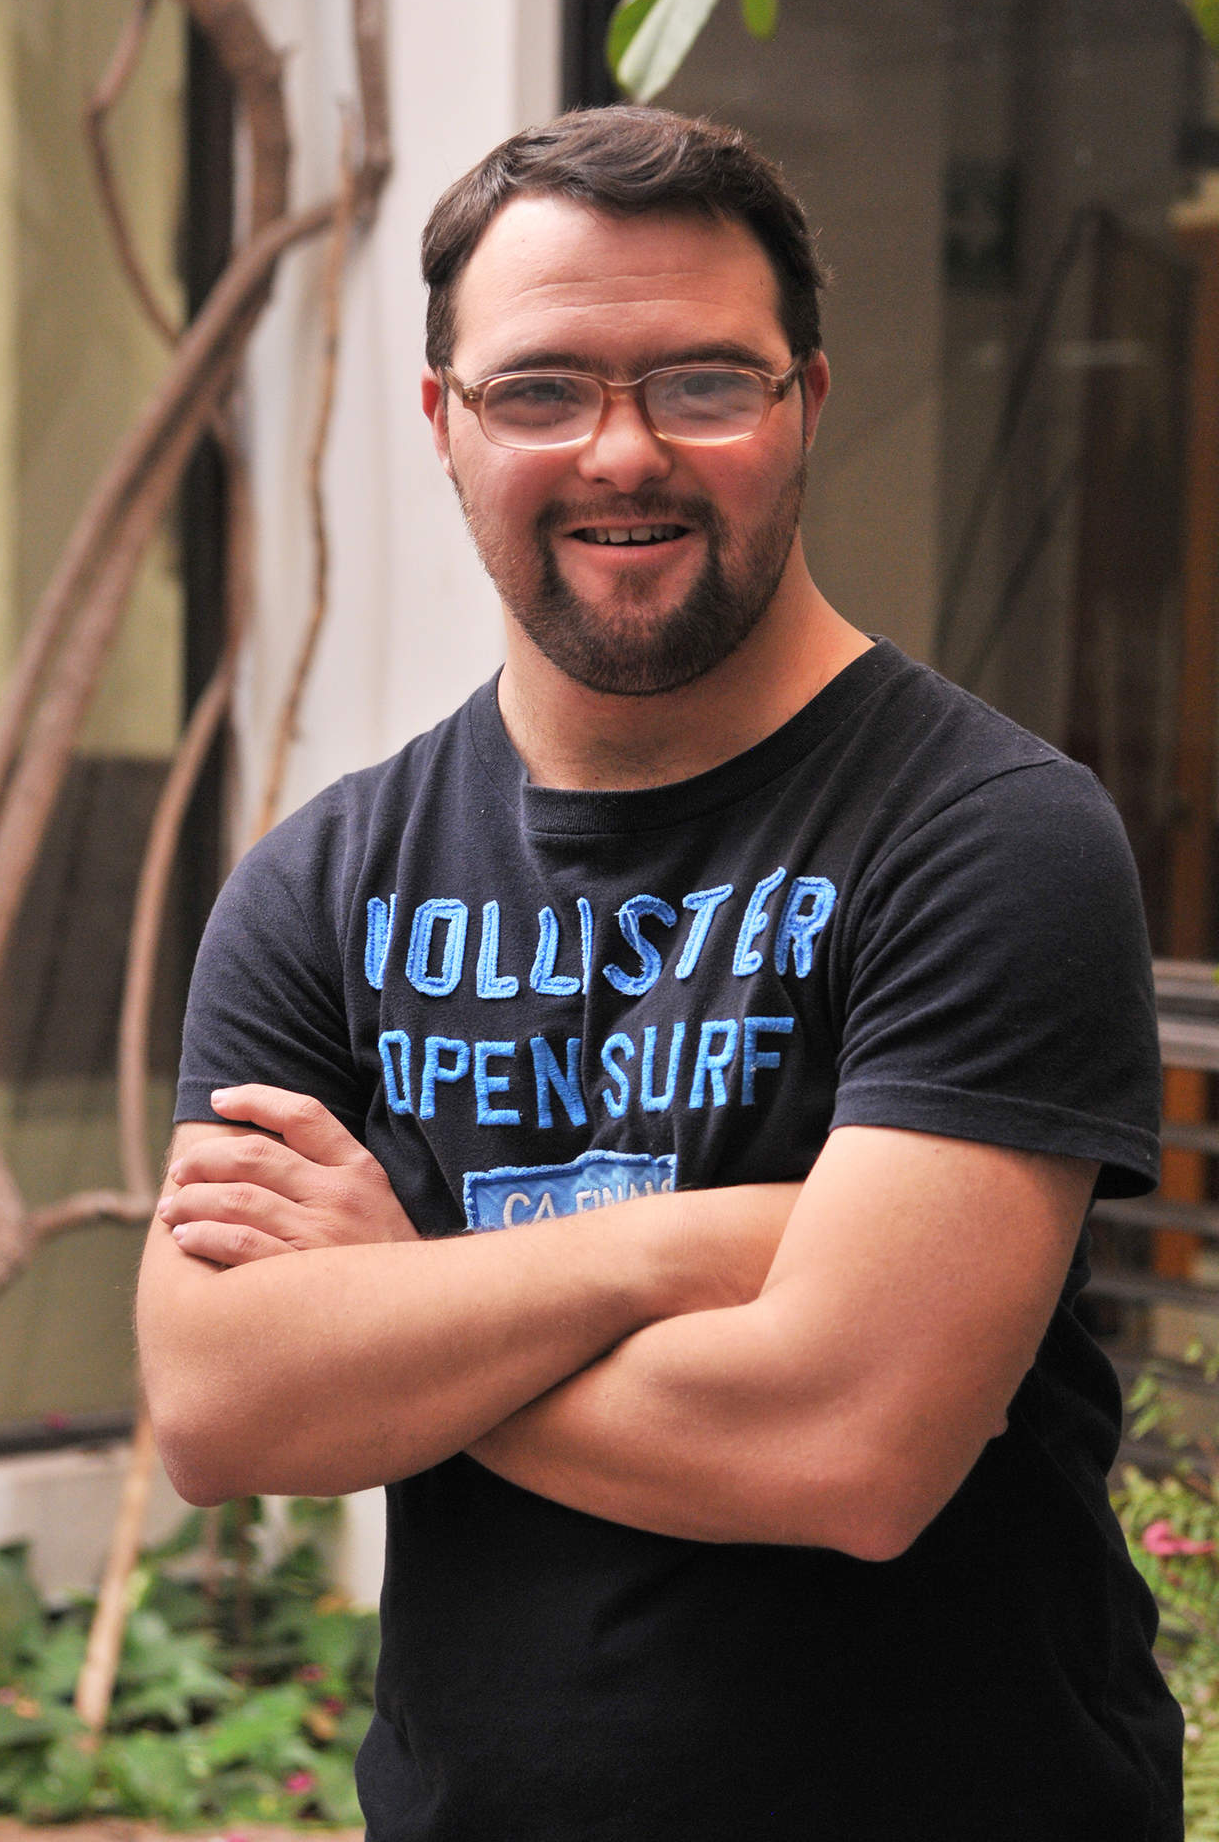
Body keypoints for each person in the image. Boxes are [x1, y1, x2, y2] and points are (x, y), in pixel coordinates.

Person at [138, 106, 1184, 1841]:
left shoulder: (988, 838)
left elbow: (848, 1449)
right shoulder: (322, 884)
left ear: (806, 404)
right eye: (540, 392)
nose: (623, 452)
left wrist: (401, 1312)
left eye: (704, 383)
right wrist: (699, 1247)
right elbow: (219, 1404)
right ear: (444, 425)